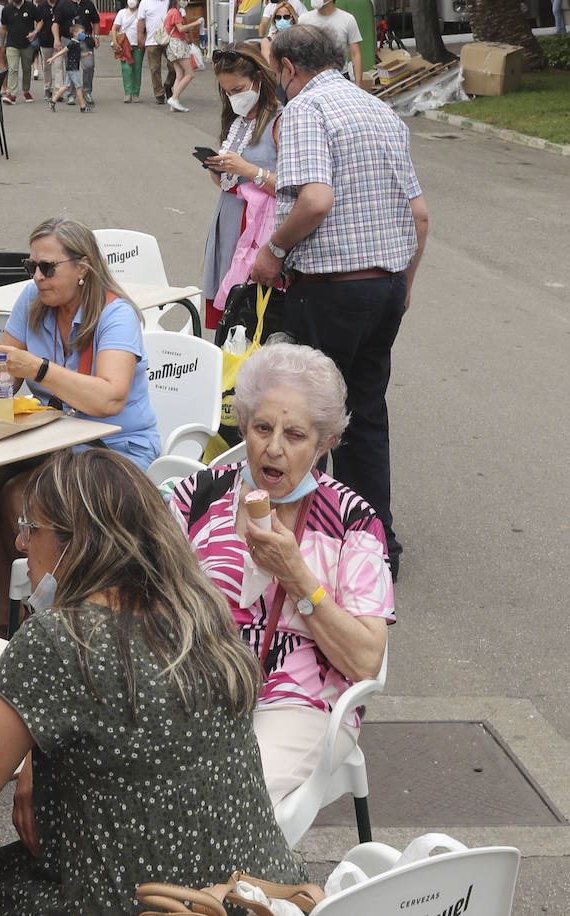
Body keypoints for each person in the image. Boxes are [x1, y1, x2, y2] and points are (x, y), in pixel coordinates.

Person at [0, 449, 306, 914]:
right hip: (262, 895)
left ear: (77, 543)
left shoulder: (59, 638)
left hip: (149, 905)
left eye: (32, 529)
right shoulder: (201, 609)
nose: (20, 543)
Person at [170, 343, 393, 804]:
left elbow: (365, 659)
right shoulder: (195, 499)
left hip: (300, 701)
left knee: (228, 798)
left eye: (294, 435)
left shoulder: (352, 521)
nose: (273, 448)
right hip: (195, 688)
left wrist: (295, 575)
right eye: (262, 428)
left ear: (324, 444)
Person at [251, 24, 428, 574]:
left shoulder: (305, 109)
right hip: (385, 283)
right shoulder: (379, 111)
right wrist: (403, 288)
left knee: (306, 419)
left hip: (330, 289)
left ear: (286, 68)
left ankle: (313, 546)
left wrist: (273, 250)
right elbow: (419, 216)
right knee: (366, 415)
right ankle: (377, 548)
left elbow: (316, 200)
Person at [0, 217, 160, 637]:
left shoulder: (114, 314)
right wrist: (0, 376)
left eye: (48, 267)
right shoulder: (33, 298)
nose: (37, 276)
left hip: (115, 450)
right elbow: (4, 366)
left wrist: (36, 368)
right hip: (59, 440)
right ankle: (4, 615)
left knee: (23, 494)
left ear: (82, 267)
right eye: (31, 265)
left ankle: (43, 627)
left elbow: (109, 398)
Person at [200, 42, 281, 327]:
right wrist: (218, 169)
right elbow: (230, 182)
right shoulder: (237, 121)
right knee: (229, 319)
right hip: (229, 218)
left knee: (253, 315)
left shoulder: (279, 120)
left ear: (259, 78)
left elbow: (293, 187)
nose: (233, 97)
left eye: (238, 90)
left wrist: (248, 169)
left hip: (258, 229)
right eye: (227, 91)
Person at [299, 0, 363, 83]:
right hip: (312, 78)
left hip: (340, 77)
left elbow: (355, 54)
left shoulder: (348, 20)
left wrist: (358, 84)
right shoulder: (304, 20)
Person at [163, 0, 204, 111]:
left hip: (172, 45)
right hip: (178, 45)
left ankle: (174, 102)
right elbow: (181, 28)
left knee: (180, 75)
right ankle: (174, 98)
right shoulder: (175, 12)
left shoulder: (171, 12)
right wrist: (197, 22)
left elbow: (180, 29)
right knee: (189, 74)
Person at [0, 0, 39, 103]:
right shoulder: (6, 10)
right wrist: (2, 45)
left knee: (26, 69)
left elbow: (40, 21)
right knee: (13, 68)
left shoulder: (30, 7)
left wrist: (35, 32)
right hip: (11, 44)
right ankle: (11, 94)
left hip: (27, 44)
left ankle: (26, 91)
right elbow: (3, 28)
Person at [137, 0, 174, 104]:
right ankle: (159, 94)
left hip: (170, 39)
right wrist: (140, 37)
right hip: (152, 40)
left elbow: (181, 17)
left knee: (174, 66)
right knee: (154, 68)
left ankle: (168, 84)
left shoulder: (171, 2)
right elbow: (141, 20)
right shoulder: (145, 2)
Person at [45, 27, 87, 111]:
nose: (83, 34)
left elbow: (78, 56)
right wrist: (52, 58)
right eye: (81, 32)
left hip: (71, 68)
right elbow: (63, 51)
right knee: (78, 87)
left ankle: (53, 100)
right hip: (73, 69)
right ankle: (83, 106)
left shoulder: (77, 43)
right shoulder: (72, 43)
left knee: (66, 86)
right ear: (75, 33)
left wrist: (87, 54)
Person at [112, 0, 144, 103]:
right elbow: (114, 28)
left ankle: (135, 93)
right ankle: (128, 93)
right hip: (124, 45)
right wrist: (114, 41)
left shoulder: (142, 12)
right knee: (126, 68)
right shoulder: (121, 12)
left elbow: (146, 28)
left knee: (137, 68)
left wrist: (144, 40)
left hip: (138, 45)